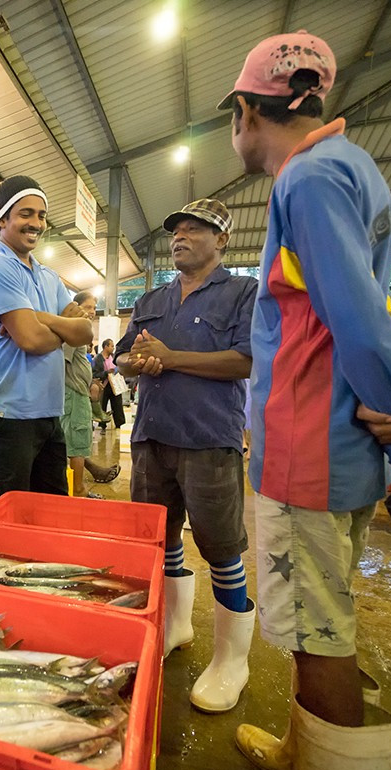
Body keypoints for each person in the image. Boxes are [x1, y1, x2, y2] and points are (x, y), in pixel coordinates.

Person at [217, 30, 391, 770]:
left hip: (307, 451)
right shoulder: (354, 166)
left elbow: (362, 324)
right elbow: (370, 309)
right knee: (325, 614)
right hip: (338, 447)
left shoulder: (305, 180)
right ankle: (308, 752)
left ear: (246, 111)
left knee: (316, 633)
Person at [115, 198, 257, 714]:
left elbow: (245, 359)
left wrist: (172, 358)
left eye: (196, 229)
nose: (181, 236)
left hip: (209, 438)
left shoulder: (243, 292)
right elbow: (124, 358)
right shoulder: (153, 297)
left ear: (221, 241)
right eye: (176, 229)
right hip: (152, 436)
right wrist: (139, 361)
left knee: (222, 547)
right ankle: (177, 624)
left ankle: (231, 660)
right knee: (161, 536)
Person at [0, 176, 92, 505]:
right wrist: (57, 326)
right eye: (26, 214)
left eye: (41, 215)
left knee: (51, 510)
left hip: (47, 413)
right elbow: (29, 339)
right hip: (8, 412)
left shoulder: (48, 275)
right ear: (2, 219)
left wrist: (42, 318)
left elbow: (85, 332)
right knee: (8, 513)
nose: (36, 223)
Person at [62, 290, 121, 500]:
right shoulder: (73, 331)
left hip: (79, 392)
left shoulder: (81, 332)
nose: (92, 312)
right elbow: (62, 360)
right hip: (73, 393)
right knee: (77, 440)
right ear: (76, 307)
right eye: (88, 307)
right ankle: (78, 489)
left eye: (95, 308)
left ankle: (79, 483)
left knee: (79, 440)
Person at [92, 339, 126, 429]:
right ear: (106, 346)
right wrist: (106, 373)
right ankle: (102, 424)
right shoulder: (98, 359)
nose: (113, 348)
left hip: (114, 385)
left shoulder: (114, 358)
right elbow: (95, 374)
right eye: (111, 346)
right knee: (102, 404)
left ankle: (120, 424)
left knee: (118, 405)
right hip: (104, 385)